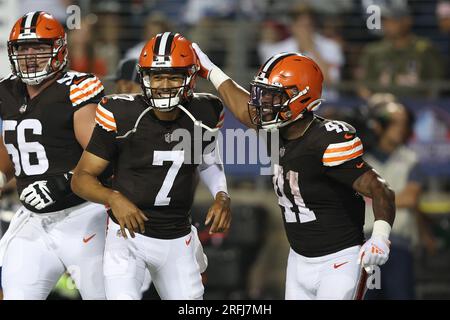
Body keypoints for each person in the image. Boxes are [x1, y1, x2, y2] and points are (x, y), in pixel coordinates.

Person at [193, 45, 396, 300]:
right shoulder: (274, 129)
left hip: (340, 261)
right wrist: (210, 69)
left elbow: (381, 190)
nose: (262, 104)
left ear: (302, 98)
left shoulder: (326, 140)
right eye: (262, 94)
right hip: (299, 259)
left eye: (272, 97)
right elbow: (243, 108)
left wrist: (380, 237)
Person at [71, 32, 231, 300]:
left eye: (173, 76)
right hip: (127, 237)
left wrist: (222, 194)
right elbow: (81, 178)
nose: (164, 85)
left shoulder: (206, 111)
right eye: (157, 76)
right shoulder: (120, 113)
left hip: (178, 237)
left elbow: (207, 159)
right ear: (144, 78)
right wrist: (113, 196)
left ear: (190, 78)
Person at [0, 11, 106, 300]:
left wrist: (61, 183)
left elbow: (105, 156)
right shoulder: (7, 91)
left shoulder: (76, 88)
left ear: (58, 49)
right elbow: (9, 148)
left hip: (83, 214)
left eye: (39, 47)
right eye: (23, 48)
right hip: (33, 220)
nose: (30, 55)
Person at [363, 100, 425, 299]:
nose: (401, 128)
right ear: (379, 125)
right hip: (363, 244)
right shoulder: (361, 160)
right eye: (395, 123)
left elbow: (411, 198)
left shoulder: (410, 159)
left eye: (404, 123)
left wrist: (373, 194)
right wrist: (392, 196)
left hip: (398, 244)